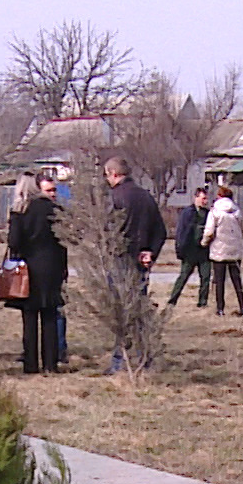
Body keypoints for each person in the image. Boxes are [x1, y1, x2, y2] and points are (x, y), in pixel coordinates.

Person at [104, 157, 166, 371]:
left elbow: (110, 230)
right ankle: (143, 359)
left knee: (120, 313)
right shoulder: (146, 196)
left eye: (107, 175)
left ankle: (119, 363)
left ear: (113, 173)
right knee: (138, 311)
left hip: (120, 260)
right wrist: (150, 252)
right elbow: (161, 231)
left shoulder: (116, 197)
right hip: (140, 263)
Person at [6, 173, 67, 373]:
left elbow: (14, 242)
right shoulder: (54, 209)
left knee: (29, 316)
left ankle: (31, 363)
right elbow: (65, 239)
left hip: (28, 266)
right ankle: (50, 363)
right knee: (50, 314)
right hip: (52, 265)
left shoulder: (20, 211)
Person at [202, 185, 243, 316]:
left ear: (219, 196)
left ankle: (220, 309)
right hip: (235, 250)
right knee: (236, 280)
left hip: (219, 250)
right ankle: (242, 306)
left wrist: (204, 243)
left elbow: (209, 231)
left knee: (219, 281)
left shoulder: (215, 211)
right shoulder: (237, 211)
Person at [166, 186, 212, 308]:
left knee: (206, 277)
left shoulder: (208, 214)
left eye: (206, 199)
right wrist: (180, 249)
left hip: (203, 252)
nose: (205, 201)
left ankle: (202, 302)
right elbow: (181, 232)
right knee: (183, 276)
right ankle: (172, 301)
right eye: (203, 198)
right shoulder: (187, 213)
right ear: (195, 198)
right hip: (190, 252)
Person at [39, 176, 69, 363]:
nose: (52, 194)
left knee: (58, 310)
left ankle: (60, 349)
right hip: (42, 267)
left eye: (54, 190)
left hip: (58, 267)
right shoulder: (36, 212)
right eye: (48, 190)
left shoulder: (60, 213)